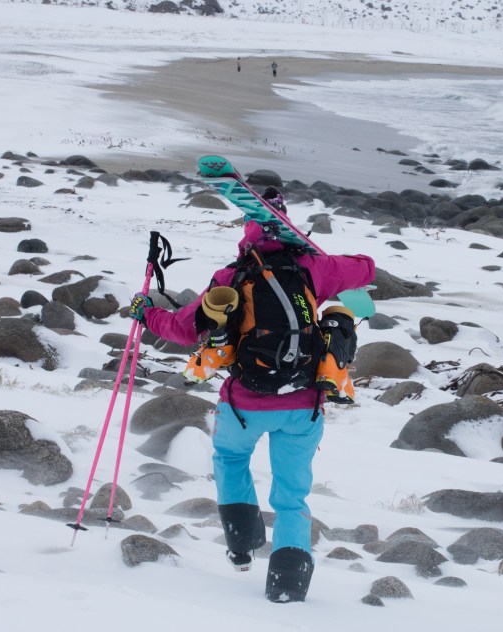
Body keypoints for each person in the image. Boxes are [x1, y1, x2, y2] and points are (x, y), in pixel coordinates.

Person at [129, 207, 375, 603]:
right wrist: (318, 256)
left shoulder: (230, 277)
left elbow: (182, 330)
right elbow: (367, 268)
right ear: (291, 231)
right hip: (302, 407)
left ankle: (242, 545)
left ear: (246, 235)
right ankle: (288, 587)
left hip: (244, 406)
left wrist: (147, 313)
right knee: (292, 496)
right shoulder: (312, 269)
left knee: (229, 459)